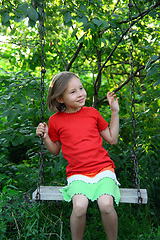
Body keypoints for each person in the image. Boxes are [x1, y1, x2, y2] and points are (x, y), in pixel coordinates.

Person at [36, 71, 120, 240]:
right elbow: (55, 150)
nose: (81, 94)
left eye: (80, 88)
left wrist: (114, 112)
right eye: (73, 92)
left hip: (103, 170)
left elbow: (112, 139)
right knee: (80, 207)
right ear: (60, 98)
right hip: (77, 173)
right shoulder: (55, 121)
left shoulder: (92, 113)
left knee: (106, 204)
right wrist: (45, 137)